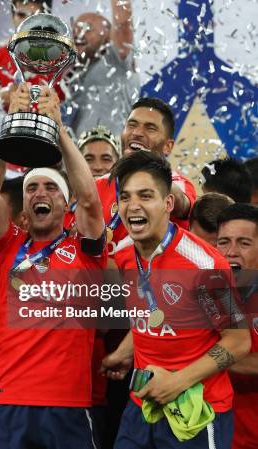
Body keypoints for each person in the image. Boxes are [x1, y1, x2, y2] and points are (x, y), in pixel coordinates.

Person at [0, 83, 107, 449]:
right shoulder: (6, 249)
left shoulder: (85, 253)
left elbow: (91, 201)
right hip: (6, 400)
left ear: (66, 207)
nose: (40, 194)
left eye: (51, 189)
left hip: (67, 405)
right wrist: (8, 127)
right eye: (32, 189)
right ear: (23, 208)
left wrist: (60, 129)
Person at [101, 151, 250, 449]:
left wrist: (177, 381)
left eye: (146, 196)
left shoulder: (204, 265)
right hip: (141, 407)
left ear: (168, 203)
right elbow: (156, 312)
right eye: (126, 198)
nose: (134, 207)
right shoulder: (122, 256)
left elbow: (237, 341)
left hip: (197, 413)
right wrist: (124, 351)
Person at [95, 97, 197, 255]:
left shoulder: (178, 183)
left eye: (150, 128)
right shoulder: (99, 185)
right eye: (132, 125)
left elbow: (181, 204)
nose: (136, 133)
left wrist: (147, 167)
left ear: (167, 146)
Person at [0, 1, 61, 117]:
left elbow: (76, 108)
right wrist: (0, 97)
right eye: (21, 15)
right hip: (13, 131)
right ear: (13, 17)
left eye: (34, 16)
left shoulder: (62, 55)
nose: (26, 23)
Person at [215, 203, 258, 449]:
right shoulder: (205, 293)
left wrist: (200, 359)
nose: (231, 252)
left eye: (243, 243)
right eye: (223, 242)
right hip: (211, 435)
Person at [66, 0, 140, 136]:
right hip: (78, 154)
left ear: (108, 35)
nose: (78, 34)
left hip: (112, 153)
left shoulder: (116, 61)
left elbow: (123, 23)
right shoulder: (69, 72)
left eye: (87, 28)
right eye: (75, 30)